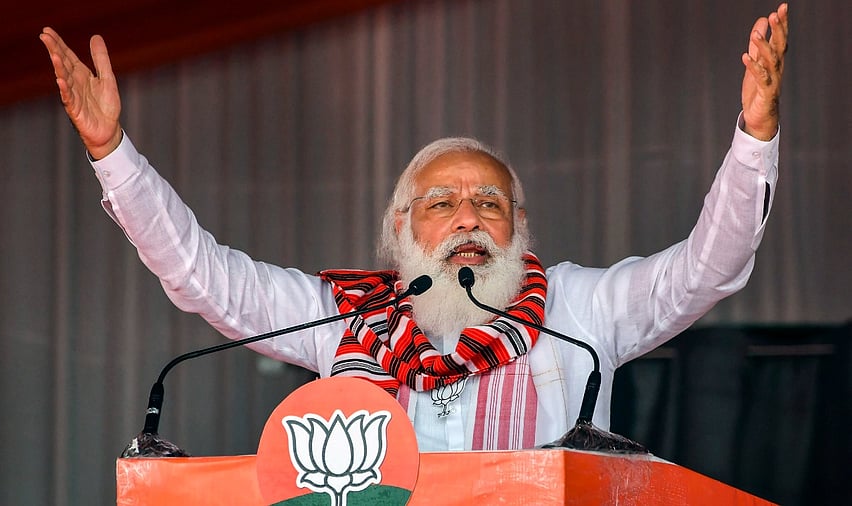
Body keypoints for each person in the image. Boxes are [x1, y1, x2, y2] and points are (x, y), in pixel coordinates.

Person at [40, 4, 789, 451]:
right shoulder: (349, 321)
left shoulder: (581, 313)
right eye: (442, 203)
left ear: (520, 226)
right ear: (401, 228)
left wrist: (754, 138)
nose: (468, 216)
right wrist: (112, 153)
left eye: (489, 203)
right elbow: (203, 276)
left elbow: (706, 268)